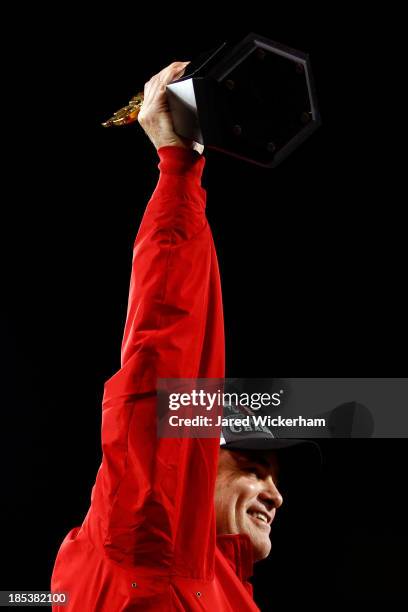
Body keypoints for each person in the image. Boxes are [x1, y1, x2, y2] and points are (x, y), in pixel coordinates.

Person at [51, 61, 283, 611]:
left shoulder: (231, 595)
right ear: (193, 451)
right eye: (253, 468)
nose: (275, 493)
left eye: (271, 474)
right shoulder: (145, 544)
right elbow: (164, 349)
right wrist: (179, 168)